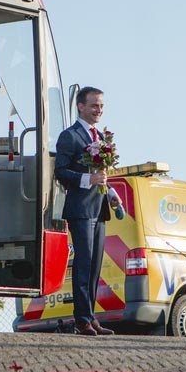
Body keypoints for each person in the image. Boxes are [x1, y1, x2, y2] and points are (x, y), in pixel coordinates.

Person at [55, 86, 122, 336]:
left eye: (102, 106)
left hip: (99, 208)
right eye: (94, 105)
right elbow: (60, 172)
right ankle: (81, 319)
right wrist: (87, 179)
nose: (99, 110)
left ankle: (91, 318)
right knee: (83, 264)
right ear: (80, 106)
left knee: (95, 266)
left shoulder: (101, 138)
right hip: (80, 209)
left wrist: (112, 195)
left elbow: (102, 175)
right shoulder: (69, 136)